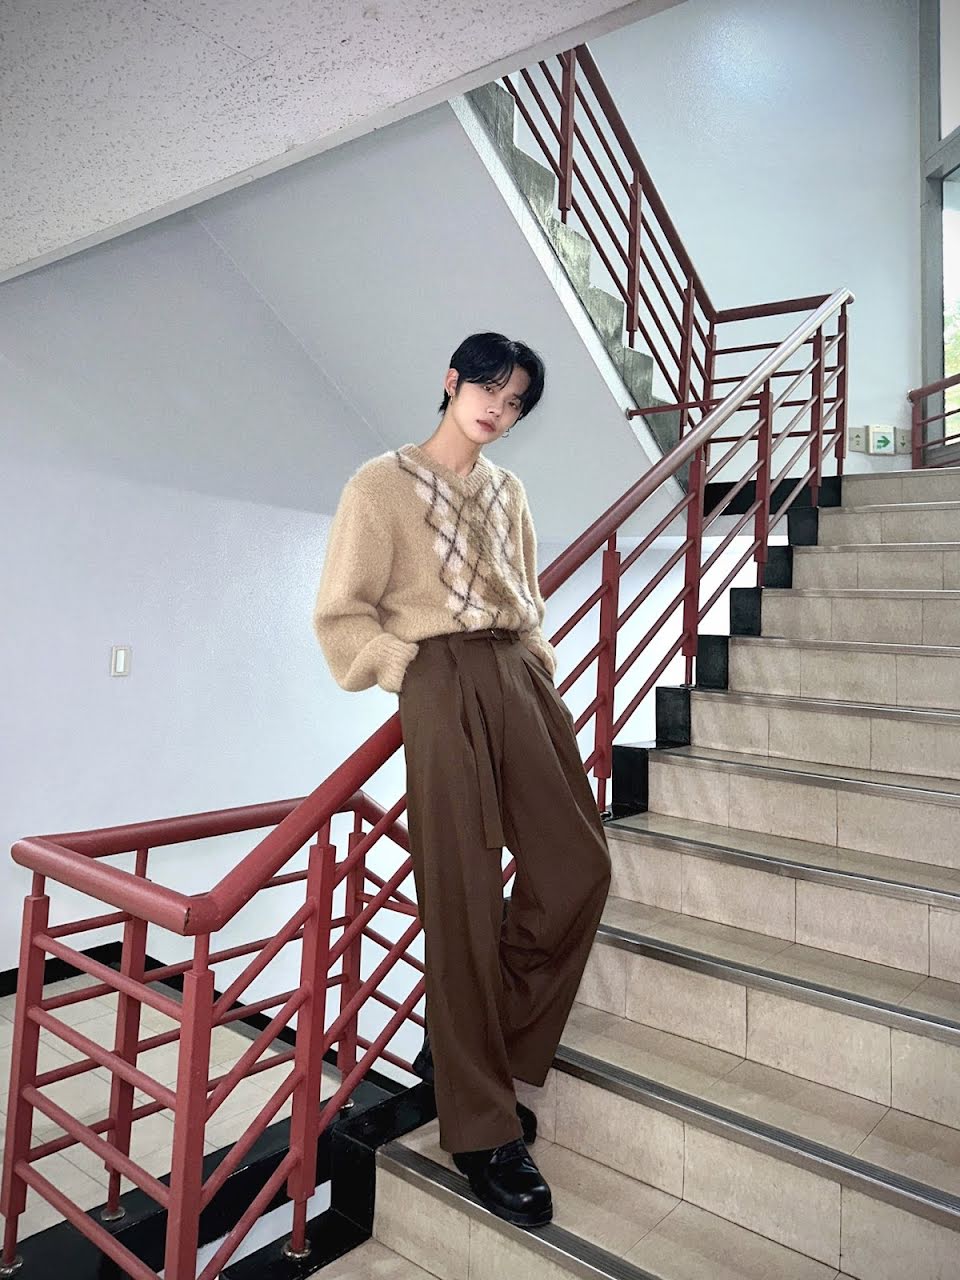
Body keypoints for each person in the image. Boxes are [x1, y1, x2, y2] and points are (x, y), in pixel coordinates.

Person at [312, 332, 612, 1229]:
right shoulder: (379, 486)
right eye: (488, 387)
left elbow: (525, 594)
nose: (498, 408)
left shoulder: (506, 491)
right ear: (451, 382)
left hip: (517, 672)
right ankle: (481, 1129)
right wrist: (399, 666)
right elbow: (340, 612)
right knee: (464, 893)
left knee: (577, 866)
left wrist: (536, 661)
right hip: (437, 677)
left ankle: (472, 1055)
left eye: (515, 402)